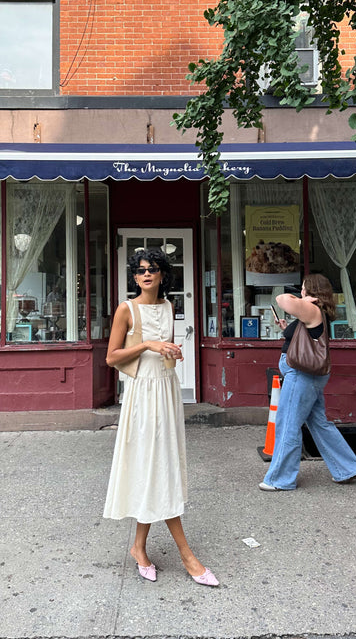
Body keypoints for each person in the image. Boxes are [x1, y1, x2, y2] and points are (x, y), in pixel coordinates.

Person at [103, 248, 219, 586]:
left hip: (167, 393)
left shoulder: (169, 307)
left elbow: (163, 355)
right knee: (158, 469)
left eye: (152, 269)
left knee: (157, 468)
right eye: (140, 271)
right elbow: (112, 357)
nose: (146, 275)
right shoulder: (126, 310)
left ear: (163, 274)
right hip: (141, 397)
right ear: (134, 277)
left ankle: (139, 547)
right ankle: (187, 555)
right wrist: (148, 345)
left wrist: (171, 352)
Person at [260, 274, 356, 492]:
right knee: (319, 423)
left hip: (301, 375)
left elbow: (282, 300)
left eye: (304, 288)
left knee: (287, 424)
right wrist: (285, 328)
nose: (301, 291)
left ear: (312, 291)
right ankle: (348, 468)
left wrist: (302, 301)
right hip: (308, 375)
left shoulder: (311, 309)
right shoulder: (315, 313)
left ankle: (280, 479)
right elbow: (304, 338)